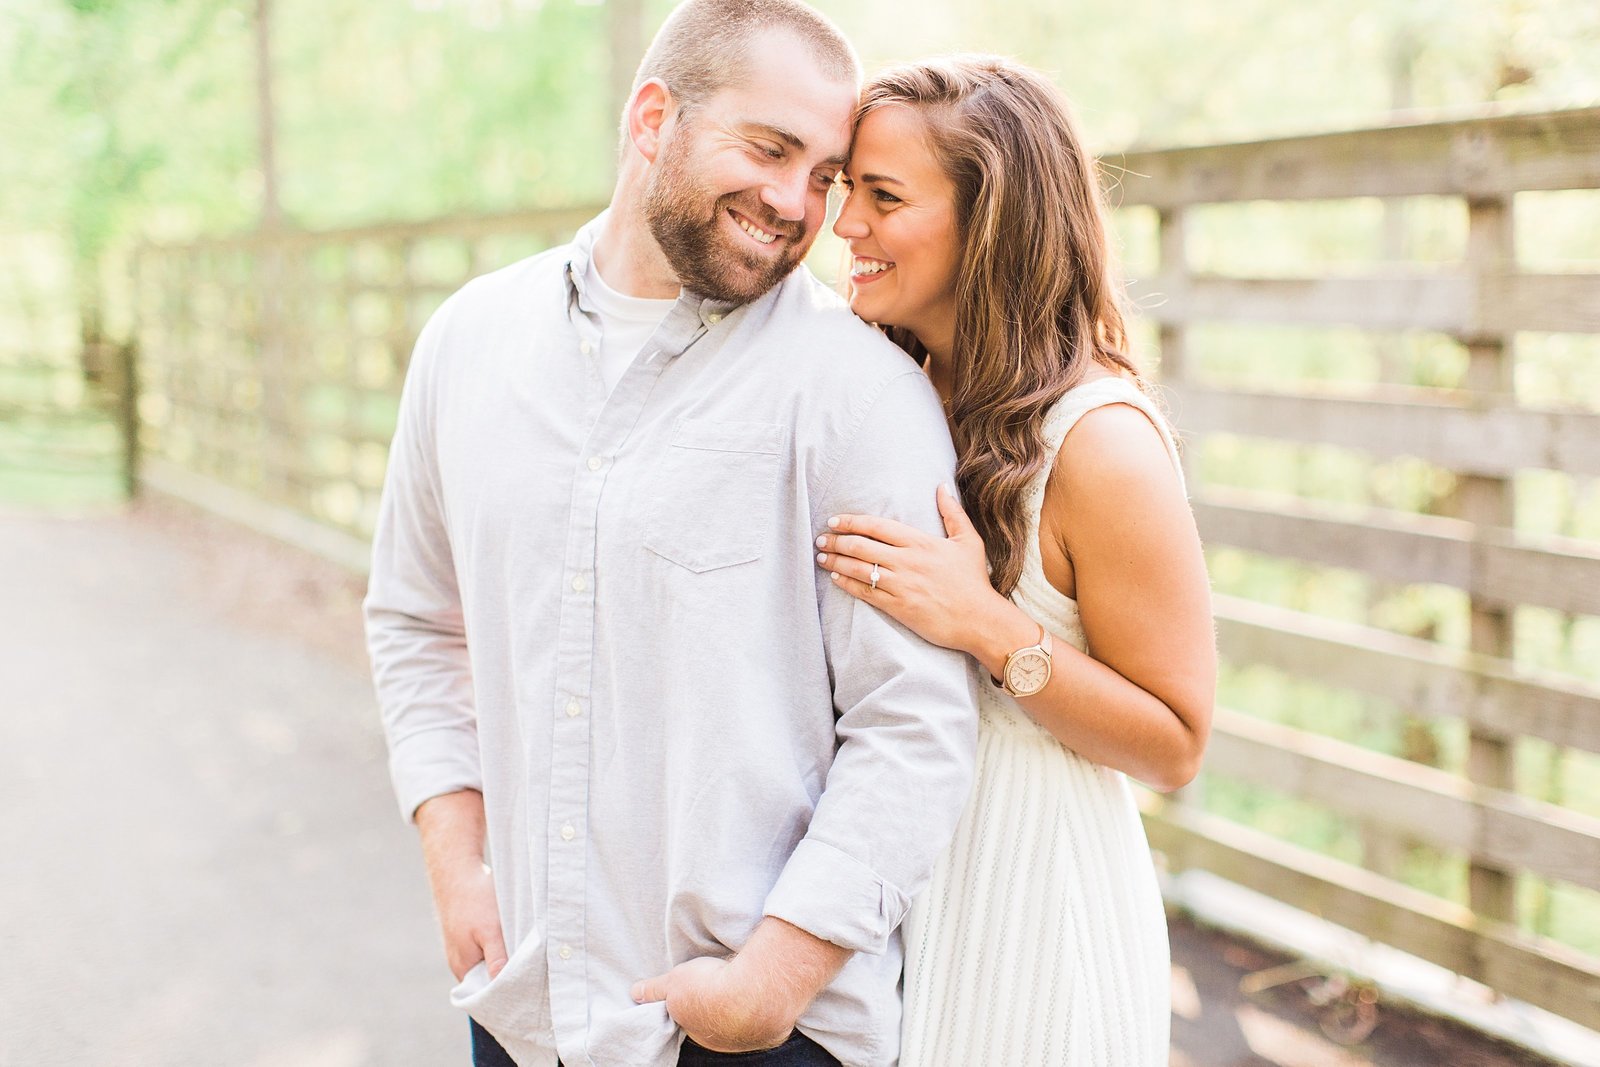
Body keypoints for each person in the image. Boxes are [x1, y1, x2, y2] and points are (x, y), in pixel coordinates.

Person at [362, 3, 979, 1066]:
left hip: (758, 1032)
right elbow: (418, 620)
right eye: (768, 149)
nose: (797, 204)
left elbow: (913, 723)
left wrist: (768, 983)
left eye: (825, 173)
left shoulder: (857, 393)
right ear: (653, 117)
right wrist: (454, 857)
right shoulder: (468, 342)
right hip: (522, 1006)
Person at [817, 56, 1216, 1064]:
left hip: (1035, 903)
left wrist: (989, 625)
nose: (842, 226)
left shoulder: (1102, 445)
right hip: (893, 897)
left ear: (986, 218)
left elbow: (1174, 742)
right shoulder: (884, 391)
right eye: (843, 190)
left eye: (883, 197)